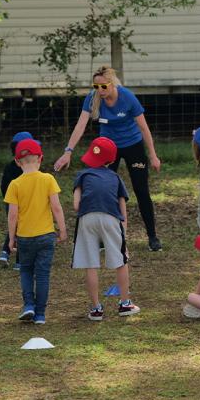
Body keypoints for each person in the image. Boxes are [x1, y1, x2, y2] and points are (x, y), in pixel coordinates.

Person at [53, 65, 164, 252]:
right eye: (96, 87)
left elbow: (144, 128)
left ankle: (152, 237)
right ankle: (106, 237)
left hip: (132, 146)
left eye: (104, 87)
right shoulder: (93, 98)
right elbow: (80, 126)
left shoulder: (127, 97)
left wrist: (153, 155)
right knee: (104, 190)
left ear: (113, 84)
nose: (100, 91)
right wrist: (68, 151)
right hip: (107, 148)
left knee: (141, 189)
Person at [72, 137, 141, 321]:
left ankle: (96, 309)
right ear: (111, 160)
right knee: (120, 260)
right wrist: (123, 234)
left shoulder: (82, 175)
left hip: (87, 218)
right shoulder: (116, 178)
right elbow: (122, 209)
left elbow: (76, 205)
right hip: (111, 218)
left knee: (91, 264)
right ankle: (125, 303)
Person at [4, 139, 67, 325]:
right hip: (47, 236)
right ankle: (40, 314)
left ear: (17, 162)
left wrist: (11, 238)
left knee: (25, 271)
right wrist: (62, 230)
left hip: (25, 237)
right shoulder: (48, 179)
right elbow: (56, 207)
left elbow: (12, 215)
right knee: (42, 274)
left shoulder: (14, 184)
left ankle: (28, 305)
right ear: (40, 158)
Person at [0, 131, 36, 268]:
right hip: (26, 204)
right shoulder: (31, 168)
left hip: (11, 202)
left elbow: (3, 186)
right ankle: (19, 261)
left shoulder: (9, 167)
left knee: (13, 227)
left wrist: (8, 200)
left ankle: (4, 252)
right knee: (23, 230)